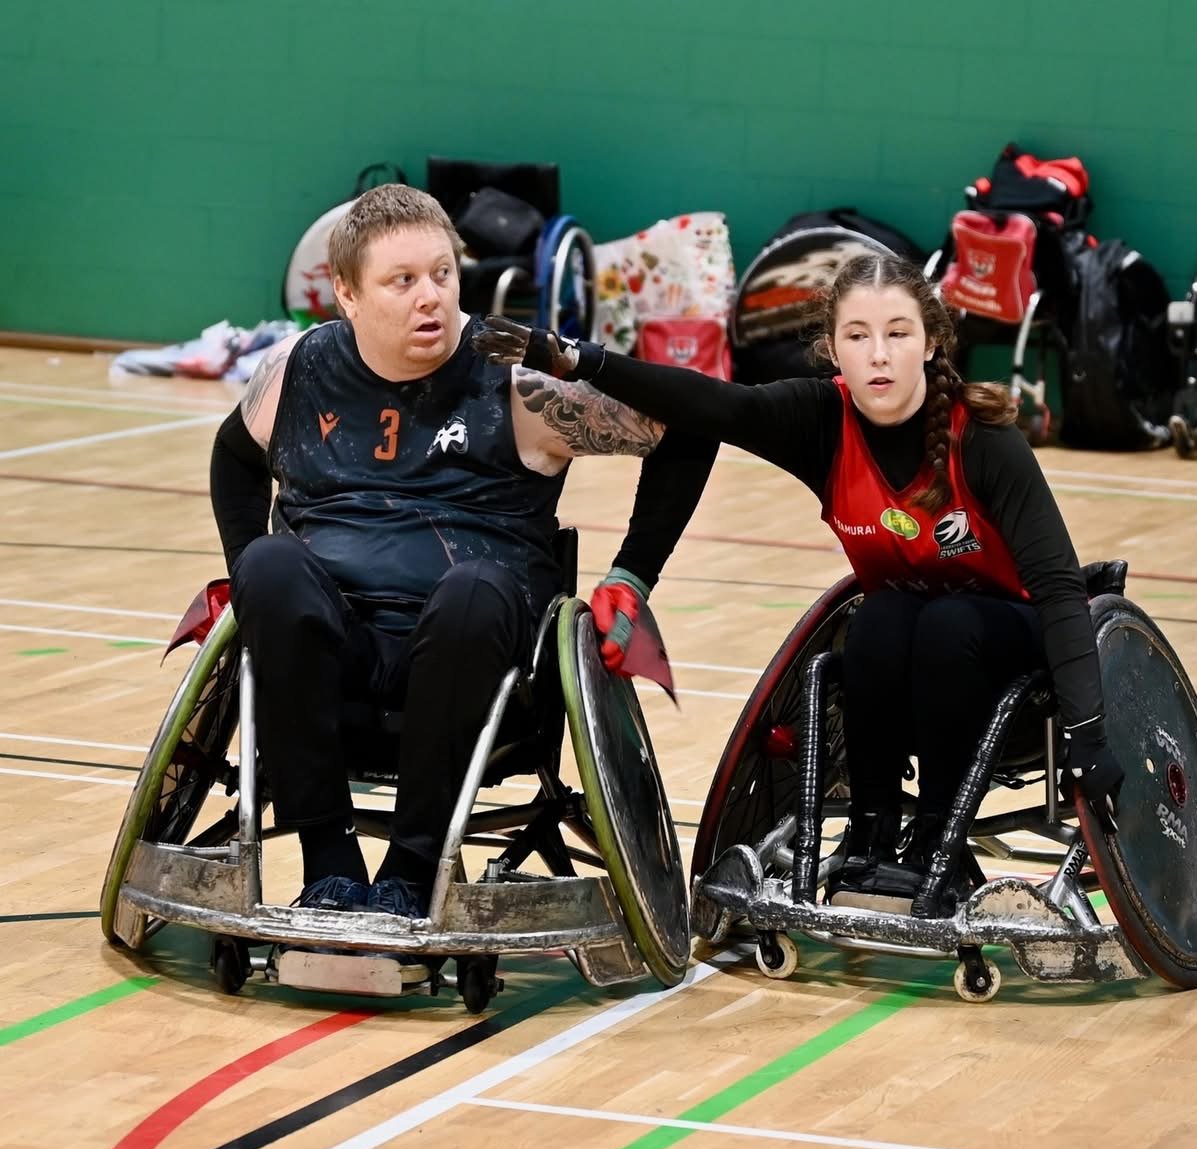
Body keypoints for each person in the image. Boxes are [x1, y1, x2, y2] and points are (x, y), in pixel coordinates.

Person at [474, 251, 1125, 914]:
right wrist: (577, 360)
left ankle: (938, 841)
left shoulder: (983, 439)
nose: (878, 355)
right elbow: (704, 404)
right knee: (875, 619)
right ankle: (870, 833)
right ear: (832, 349)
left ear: (930, 343)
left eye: (897, 334)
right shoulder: (820, 421)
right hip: (907, 645)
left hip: (1011, 650)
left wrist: (1089, 733)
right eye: (857, 336)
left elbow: (1056, 591)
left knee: (945, 623)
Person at [208, 184, 714, 939]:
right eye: (402, 281)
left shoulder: (518, 377)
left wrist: (630, 575)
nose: (430, 299)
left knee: (474, 588)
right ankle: (330, 867)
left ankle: (413, 873)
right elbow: (233, 454)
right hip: (332, 646)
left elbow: (688, 428)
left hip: (471, 647)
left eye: (442, 274)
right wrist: (244, 562)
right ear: (345, 293)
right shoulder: (295, 368)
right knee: (271, 568)